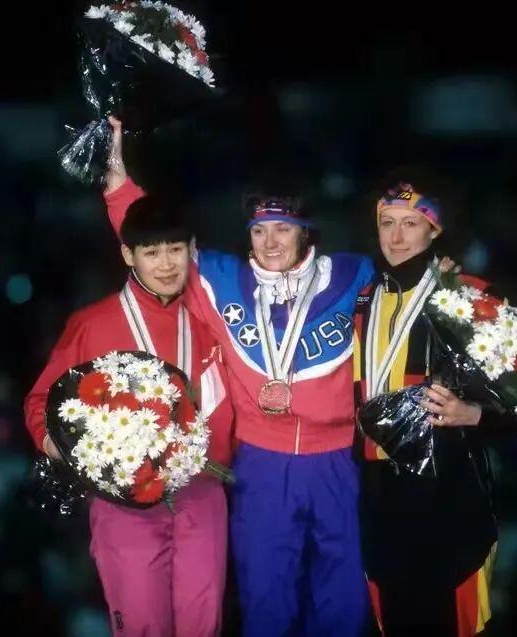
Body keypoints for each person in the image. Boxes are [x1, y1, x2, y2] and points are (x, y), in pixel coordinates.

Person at [102, 117, 372, 636]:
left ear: (305, 231)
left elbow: (410, 298)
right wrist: (117, 181)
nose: (270, 242)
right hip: (261, 463)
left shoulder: (352, 275)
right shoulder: (221, 280)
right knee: (266, 600)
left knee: (343, 600)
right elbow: (153, 239)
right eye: (259, 230)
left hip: (339, 459)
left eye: (283, 228)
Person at [23, 193, 234, 637]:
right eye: (151, 252)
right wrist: (64, 447)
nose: (166, 264)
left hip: (201, 490)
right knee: (142, 625)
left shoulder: (211, 319)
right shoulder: (93, 323)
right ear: (127, 254)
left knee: (204, 624)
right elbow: (41, 402)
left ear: (192, 249)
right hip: (125, 503)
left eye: (175, 249)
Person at [353, 182, 517, 635]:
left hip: (448, 490)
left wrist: (475, 414)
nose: (396, 237)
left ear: (435, 230)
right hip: (379, 493)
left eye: (411, 224)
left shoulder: (466, 297)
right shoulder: (363, 300)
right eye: (387, 223)